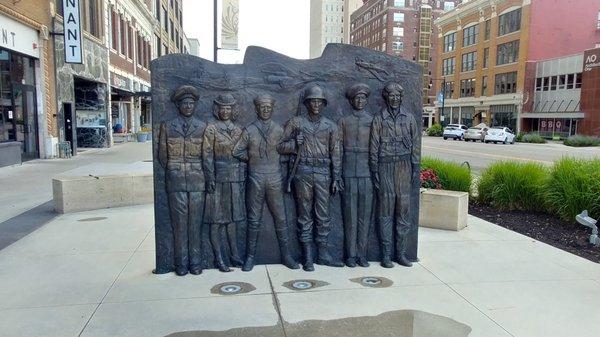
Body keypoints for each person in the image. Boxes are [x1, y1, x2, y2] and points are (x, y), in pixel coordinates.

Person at [278, 84, 344, 271]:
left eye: (319, 101)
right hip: (303, 172)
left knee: (323, 215)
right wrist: (294, 144)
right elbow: (280, 146)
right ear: (307, 103)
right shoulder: (296, 123)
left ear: (323, 104)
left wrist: (336, 177)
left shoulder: (330, 126)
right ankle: (307, 256)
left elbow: (336, 153)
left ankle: (322, 254)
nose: (316, 104)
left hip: (323, 172)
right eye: (312, 101)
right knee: (304, 215)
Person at [232, 93, 299, 271]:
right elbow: (237, 151)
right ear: (257, 109)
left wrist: (292, 148)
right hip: (255, 178)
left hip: (275, 178)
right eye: (262, 107)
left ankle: (286, 256)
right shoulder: (249, 130)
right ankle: (250, 257)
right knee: (253, 220)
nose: (265, 110)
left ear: (272, 109)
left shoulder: (278, 130)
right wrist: (252, 159)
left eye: (268, 107)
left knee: (281, 218)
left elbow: (284, 148)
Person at [157, 85, 208, 276]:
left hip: (197, 180)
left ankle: (195, 263)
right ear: (178, 105)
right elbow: (163, 155)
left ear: (195, 105)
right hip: (176, 180)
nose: (188, 106)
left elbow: (206, 155)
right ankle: (181, 264)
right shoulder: (168, 126)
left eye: (191, 103)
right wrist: (174, 170)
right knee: (179, 225)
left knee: (195, 224)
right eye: (184, 103)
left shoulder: (203, 127)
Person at [369, 82, 420, 268]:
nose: (394, 99)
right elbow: (373, 146)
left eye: (398, 96)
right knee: (385, 212)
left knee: (403, 211)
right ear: (386, 97)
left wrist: (415, 168)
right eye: (391, 95)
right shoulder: (379, 119)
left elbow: (416, 145)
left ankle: (401, 254)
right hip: (385, 167)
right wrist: (374, 169)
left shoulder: (409, 118)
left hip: (404, 167)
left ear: (402, 97)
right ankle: (385, 254)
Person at [203, 93, 245, 272]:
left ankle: (234, 255)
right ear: (217, 109)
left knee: (233, 220)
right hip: (218, 178)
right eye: (222, 108)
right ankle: (219, 258)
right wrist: (210, 177)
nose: (225, 111)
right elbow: (207, 155)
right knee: (216, 221)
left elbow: (244, 155)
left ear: (233, 110)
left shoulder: (239, 129)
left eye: (228, 108)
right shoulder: (211, 129)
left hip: (235, 178)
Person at [339, 83, 374, 268]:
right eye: (357, 98)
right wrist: (338, 175)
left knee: (364, 217)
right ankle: (350, 255)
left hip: (367, 173)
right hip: (348, 173)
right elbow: (337, 150)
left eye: (363, 98)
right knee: (350, 216)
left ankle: (362, 254)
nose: (360, 101)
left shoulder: (372, 121)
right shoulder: (344, 121)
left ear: (367, 100)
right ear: (352, 100)